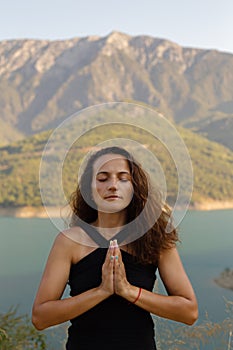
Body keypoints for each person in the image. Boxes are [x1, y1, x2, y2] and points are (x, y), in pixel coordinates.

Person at [32, 146, 198, 350]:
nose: (113, 185)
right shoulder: (70, 241)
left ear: (134, 186)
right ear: (89, 189)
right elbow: (41, 318)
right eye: (103, 179)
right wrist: (101, 291)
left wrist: (128, 291)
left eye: (123, 178)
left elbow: (189, 312)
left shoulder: (155, 239)